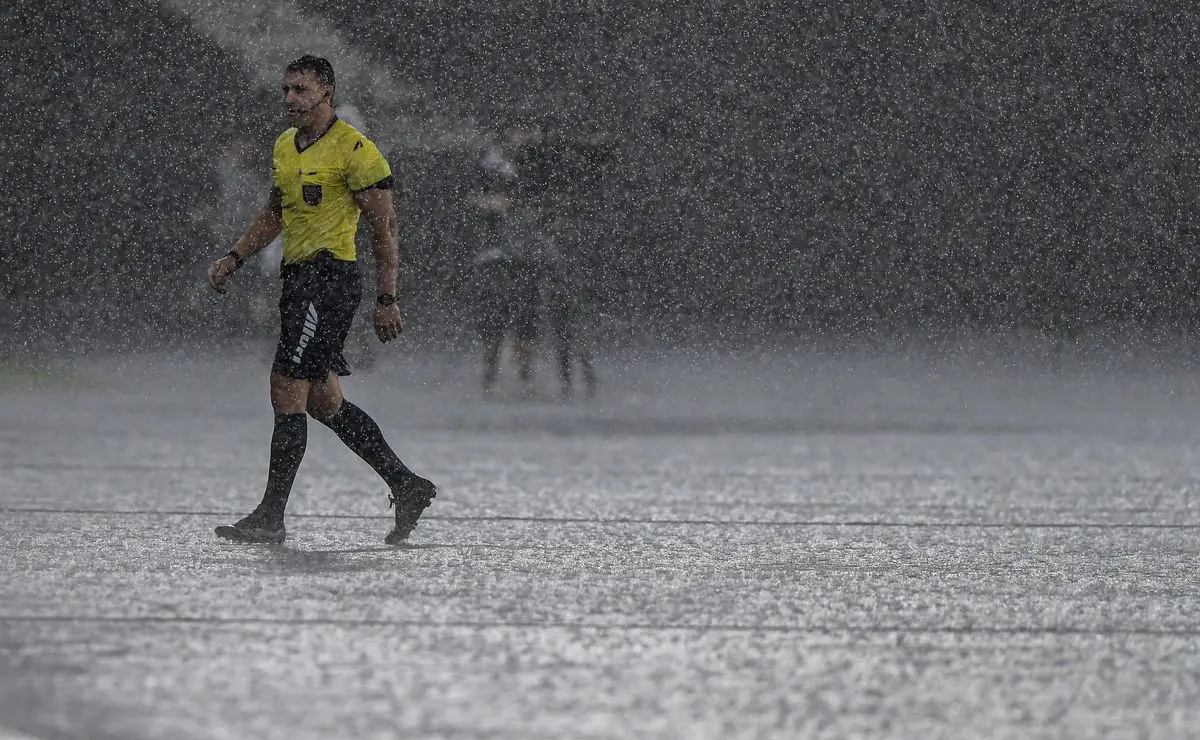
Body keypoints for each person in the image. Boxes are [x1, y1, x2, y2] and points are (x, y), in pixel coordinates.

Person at [206, 55, 436, 545]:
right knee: (324, 402)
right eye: (286, 89)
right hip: (297, 280)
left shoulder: (356, 150)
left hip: (329, 281)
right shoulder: (284, 146)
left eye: (301, 90)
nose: (290, 98)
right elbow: (275, 212)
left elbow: (385, 229)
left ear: (326, 92)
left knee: (285, 386)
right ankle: (407, 484)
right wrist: (236, 256)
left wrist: (387, 297)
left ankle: (271, 516)